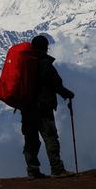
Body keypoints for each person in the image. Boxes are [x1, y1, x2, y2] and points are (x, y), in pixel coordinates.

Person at [21, 35, 75, 179]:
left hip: (26, 108)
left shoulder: (24, 63)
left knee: (31, 140)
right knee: (50, 138)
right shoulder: (45, 63)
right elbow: (56, 84)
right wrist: (68, 94)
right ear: (45, 47)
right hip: (43, 108)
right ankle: (57, 169)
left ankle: (33, 170)